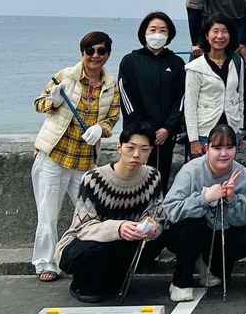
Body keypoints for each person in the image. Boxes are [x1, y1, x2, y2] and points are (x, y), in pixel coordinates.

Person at [31, 31, 121, 282]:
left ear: (107, 54)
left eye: (101, 51)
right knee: (48, 213)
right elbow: (38, 104)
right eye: (89, 51)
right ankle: (46, 263)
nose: (95, 56)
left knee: (91, 214)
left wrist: (101, 129)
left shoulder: (111, 85)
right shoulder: (65, 77)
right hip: (55, 155)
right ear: (82, 53)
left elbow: (113, 117)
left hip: (84, 160)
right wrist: (54, 100)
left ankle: (89, 259)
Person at [55, 123, 166, 302]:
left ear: (150, 151)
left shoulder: (153, 176)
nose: (136, 155)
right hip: (83, 243)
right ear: (119, 148)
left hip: (126, 241)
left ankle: (116, 276)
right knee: (94, 254)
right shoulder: (94, 179)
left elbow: (157, 216)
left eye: (144, 149)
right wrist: (118, 228)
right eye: (130, 148)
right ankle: (82, 285)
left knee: (161, 237)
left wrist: (151, 228)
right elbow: (83, 227)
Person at [163, 124, 246, 302]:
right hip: (186, 232)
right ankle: (180, 281)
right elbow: (170, 209)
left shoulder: (241, 173)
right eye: (217, 147)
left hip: (219, 231)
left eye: (229, 147)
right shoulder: (191, 170)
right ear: (207, 148)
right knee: (194, 225)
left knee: (245, 240)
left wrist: (232, 200)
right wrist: (204, 199)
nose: (223, 153)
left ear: (237, 148)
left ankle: (208, 264)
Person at [118, 11, 186, 191]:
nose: (158, 34)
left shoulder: (177, 63)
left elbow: (182, 98)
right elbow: (126, 97)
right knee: (133, 177)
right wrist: (144, 128)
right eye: (153, 29)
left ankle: (157, 216)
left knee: (160, 177)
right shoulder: (130, 61)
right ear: (144, 33)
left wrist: (168, 127)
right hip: (137, 133)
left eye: (163, 30)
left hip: (165, 135)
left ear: (169, 34)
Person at [185, 16, 245, 159]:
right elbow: (190, 105)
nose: (220, 36)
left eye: (224, 31)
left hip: (231, 131)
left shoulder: (237, 62)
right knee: (202, 177)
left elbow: (240, 96)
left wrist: (240, 129)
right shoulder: (195, 67)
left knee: (227, 176)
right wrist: (193, 140)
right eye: (215, 31)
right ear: (207, 35)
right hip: (204, 132)